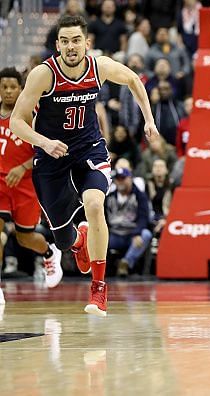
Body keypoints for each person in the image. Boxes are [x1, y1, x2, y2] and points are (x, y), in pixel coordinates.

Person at [10, 15, 159, 317]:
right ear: (57, 45)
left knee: (94, 204)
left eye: (76, 40)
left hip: (89, 149)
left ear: (86, 43)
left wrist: (149, 119)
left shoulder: (98, 66)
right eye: (64, 41)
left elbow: (133, 79)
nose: (71, 46)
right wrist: (43, 141)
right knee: (63, 240)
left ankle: (99, 288)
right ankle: (79, 240)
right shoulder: (44, 74)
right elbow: (16, 120)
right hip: (51, 156)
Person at [0, 67, 63, 299]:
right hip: (0, 183)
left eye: (12, 87)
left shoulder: (33, 113)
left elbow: (45, 148)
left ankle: (48, 253)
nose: (8, 91)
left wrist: (23, 167)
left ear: (20, 89)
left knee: (24, 237)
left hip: (25, 184)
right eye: (4, 87)